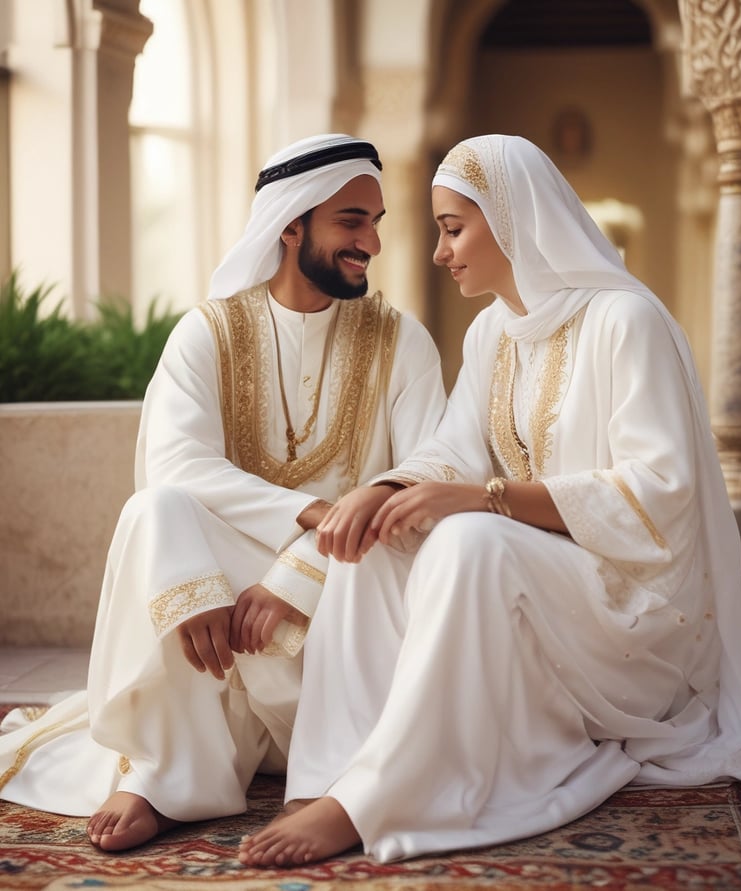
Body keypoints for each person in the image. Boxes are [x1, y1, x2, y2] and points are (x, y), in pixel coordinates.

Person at [237, 134, 741, 868]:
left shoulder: (624, 322)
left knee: (468, 539)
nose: (438, 252)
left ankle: (382, 796)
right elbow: (451, 450)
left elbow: (660, 494)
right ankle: (333, 769)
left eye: (454, 228)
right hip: (548, 584)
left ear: (515, 218)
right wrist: (384, 489)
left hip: (635, 615)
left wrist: (488, 499)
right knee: (376, 537)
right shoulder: (493, 332)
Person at [0, 133, 447, 852]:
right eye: (353, 221)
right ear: (291, 222)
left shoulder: (403, 342)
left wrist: (296, 577)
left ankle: (271, 757)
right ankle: (172, 769)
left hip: (333, 630)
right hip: (221, 630)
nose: (372, 242)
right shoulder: (206, 334)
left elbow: (425, 475)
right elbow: (174, 462)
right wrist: (308, 511)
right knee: (156, 510)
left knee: (392, 522)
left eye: (375, 222)